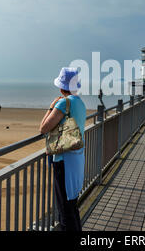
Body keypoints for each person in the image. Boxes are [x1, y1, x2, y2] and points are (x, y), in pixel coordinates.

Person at [39, 67, 85, 232]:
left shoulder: (63, 102)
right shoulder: (79, 102)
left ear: (61, 87)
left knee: (65, 212)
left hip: (64, 161)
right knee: (72, 207)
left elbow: (43, 128)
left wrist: (51, 107)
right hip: (77, 158)